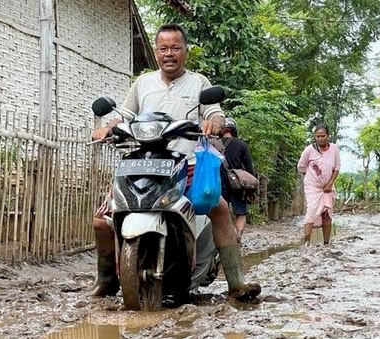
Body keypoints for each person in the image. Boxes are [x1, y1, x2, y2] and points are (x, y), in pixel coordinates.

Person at [90, 23, 261, 301]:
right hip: (142, 162)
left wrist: (213, 123)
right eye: (163, 48)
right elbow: (123, 113)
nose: (169, 53)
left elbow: (215, 112)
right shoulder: (143, 83)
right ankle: (107, 280)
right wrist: (108, 127)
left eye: (175, 48)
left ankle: (236, 281)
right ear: (156, 52)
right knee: (101, 220)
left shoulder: (199, 83)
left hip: (186, 163)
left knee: (219, 208)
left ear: (185, 51)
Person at [297, 125, 340, 246]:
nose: (320, 139)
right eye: (318, 136)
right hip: (313, 187)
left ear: (328, 136)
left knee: (327, 214)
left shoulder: (334, 149)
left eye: (323, 136)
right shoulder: (309, 150)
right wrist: (313, 176)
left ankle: (326, 243)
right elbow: (301, 166)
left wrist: (330, 183)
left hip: (328, 187)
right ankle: (307, 242)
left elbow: (337, 168)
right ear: (315, 137)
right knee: (312, 211)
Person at [221, 117, 256, 243]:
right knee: (240, 213)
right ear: (234, 130)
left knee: (219, 213)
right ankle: (238, 237)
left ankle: (223, 239)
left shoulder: (213, 144)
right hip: (238, 184)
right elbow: (249, 169)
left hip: (219, 182)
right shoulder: (242, 145)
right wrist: (251, 191)